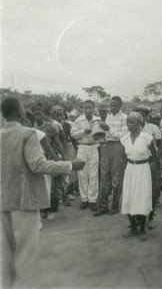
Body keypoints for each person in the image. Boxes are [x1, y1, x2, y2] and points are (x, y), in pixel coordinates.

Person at [0, 97, 85, 288]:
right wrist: (70, 165)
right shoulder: (27, 133)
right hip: (25, 200)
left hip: (3, 200)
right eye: (22, 108)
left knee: (6, 253)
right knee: (25, 255)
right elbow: (38, 164)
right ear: (16, 112)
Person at [120, 112, 160, 241]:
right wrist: (118, 174)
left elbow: (155, 157)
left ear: (140, 123)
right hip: (130, 170)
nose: (129, 125)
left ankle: (142, 229)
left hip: (143, 170)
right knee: (128, 198)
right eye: (127, 123)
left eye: (132, 122)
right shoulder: (124, 138)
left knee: (142, 199)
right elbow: (123, 158)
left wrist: (158, 173)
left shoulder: (147, 138)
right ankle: (133, 227)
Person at [94, 96, 128, 216]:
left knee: (116, 177)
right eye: (111, 105)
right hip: (107, 146)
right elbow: (107, 134)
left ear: (120, 106)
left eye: (114, 105)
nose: (111, 107)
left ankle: (114, 206)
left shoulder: (125, 118)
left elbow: (124, 136)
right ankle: (103, 206)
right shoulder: (108, 117)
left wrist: (108, 129)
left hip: (119, 147)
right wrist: (102, 137)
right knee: (104, 176)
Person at [33, 105, 67, 219]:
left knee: (53, 184)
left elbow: (58, 143)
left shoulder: (50, 127)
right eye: (36, 114)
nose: (38, 117)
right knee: (40, 183)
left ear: (44, 115)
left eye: (40, 114)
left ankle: (52, 208)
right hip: (37, 159)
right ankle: (43, 208)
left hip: (50, 157)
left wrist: (64, 157)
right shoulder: (31, 128)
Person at [134, 105, 162, 229]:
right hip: (137, 163)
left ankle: (150, 217)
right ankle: (138, 216)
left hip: (151, 162)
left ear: (147, 116)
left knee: (152, 191)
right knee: (138, 190)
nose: (141, 117)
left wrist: (155, 161)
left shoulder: (153, 128)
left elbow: (161, 146)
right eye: (139, 115)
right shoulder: (133, 128)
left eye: (144, 115)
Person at [70, 100, 99, 211]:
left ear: (93, 108)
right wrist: (83, 131)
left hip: (93, 147)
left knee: (93, 174)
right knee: (82, 174)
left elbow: (102, 134)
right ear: (83, 108)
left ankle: (92, 200)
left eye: (90, 107)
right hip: (82, 147)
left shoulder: (97, 120)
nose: (88, 109)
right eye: (86, 107)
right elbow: (73, 133)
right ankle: (84, 199)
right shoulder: (78, 120)